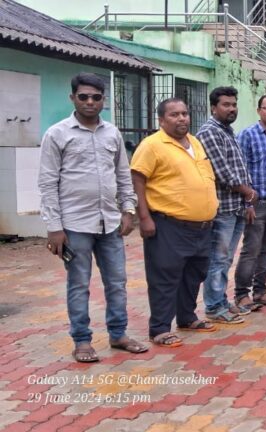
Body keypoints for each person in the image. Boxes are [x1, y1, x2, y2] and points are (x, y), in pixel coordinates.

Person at [38, 73, 148, 362]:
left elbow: (123, 175)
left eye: (96, 97)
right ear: (72, 98)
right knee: (79, 284)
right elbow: (47, 183)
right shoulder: (57, 134)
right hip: (74, 225)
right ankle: (82, 341)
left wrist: (128, 210)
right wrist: (54, 227)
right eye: (83, 96)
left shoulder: (112, 133)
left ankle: (118, 334)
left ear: (103, 100)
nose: (90, 102)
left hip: (110, 223)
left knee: (117, 282)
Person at [130, 97, 219, 348]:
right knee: (165, 276)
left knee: (195, 273)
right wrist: (143, 217)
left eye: (184, 113)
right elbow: (137, 180)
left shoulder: (194, 142)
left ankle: (187, 317)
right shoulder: (152, 145)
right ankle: (159, 329)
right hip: (168, 224)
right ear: (161, 120)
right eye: (174, 114)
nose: (181, 118)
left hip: (201, 226)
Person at [196, 86, 257, 324]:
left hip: (237, 206)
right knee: (218, 259)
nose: (231, 109)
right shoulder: (210, 132)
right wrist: (248, 192)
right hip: (222, 208)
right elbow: (223, 173)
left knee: (226, 258)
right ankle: (213, 306)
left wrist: (247, 201)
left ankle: (221, 301)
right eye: (226, 105)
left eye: (234, 104)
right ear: (214, 107)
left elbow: (240, 168)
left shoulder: (227, 131)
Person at [234, 95, 266, 309]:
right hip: (256, 205)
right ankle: (241, 294)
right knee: (251, 250)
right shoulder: (247, 135)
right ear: (259, 110)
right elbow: (239, 169)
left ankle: (260, 291)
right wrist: (247, 204)